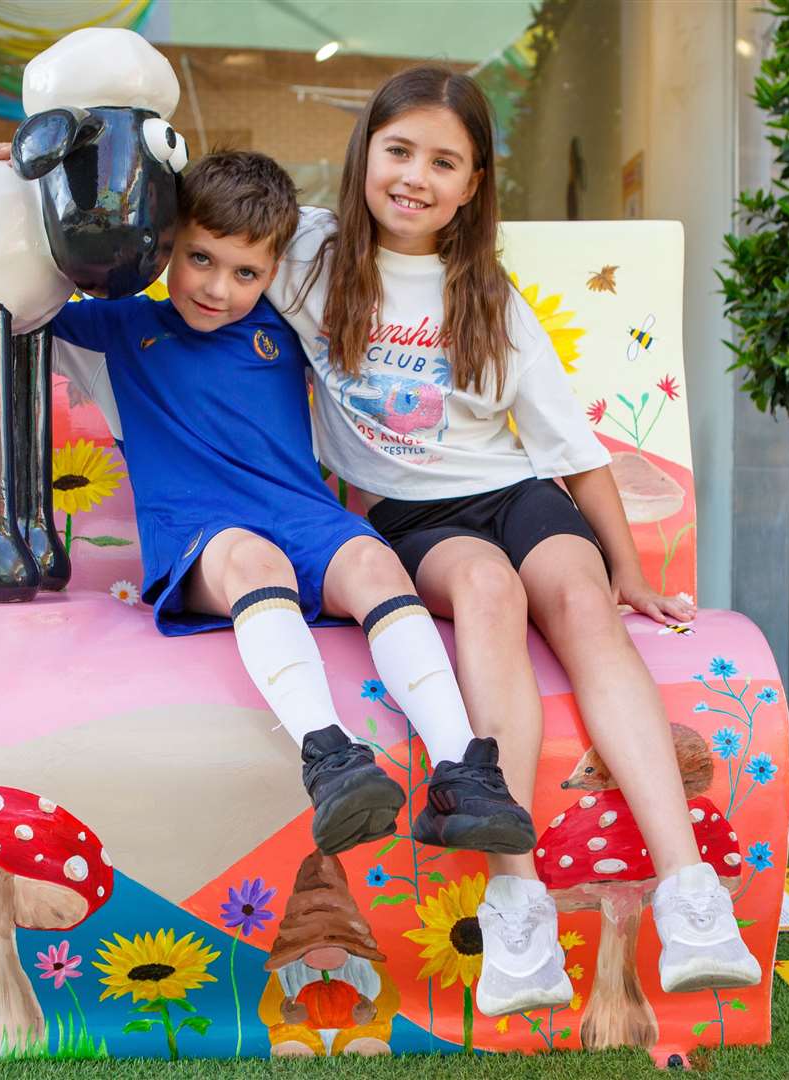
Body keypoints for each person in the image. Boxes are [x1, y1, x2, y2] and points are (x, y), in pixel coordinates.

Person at [264, 67, 763, 1014]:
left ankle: (693, 896)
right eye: (399, 151)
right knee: (488, 592)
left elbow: (574, 454)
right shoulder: (310, 257)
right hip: (414, 519)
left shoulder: (490, 298)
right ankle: (516, 902)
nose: (416, 176)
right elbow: (188, 213)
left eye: (443, 162)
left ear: (474, 184)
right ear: (365, 152)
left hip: (518, 494)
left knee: (581, 602)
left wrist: (629, 571)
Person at [33, 149, 536, 861]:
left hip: (308, 519)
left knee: (372, 559)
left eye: (247, 272)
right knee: (253, 556)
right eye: (201, 259)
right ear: (168, 244)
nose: (218, 288)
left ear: (274, 273)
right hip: (206, 538)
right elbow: (19, 288)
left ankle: (463, 774)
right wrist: (15, 184)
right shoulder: (116, 329)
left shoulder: (292, 328)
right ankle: (331, 757)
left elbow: (351, 263)